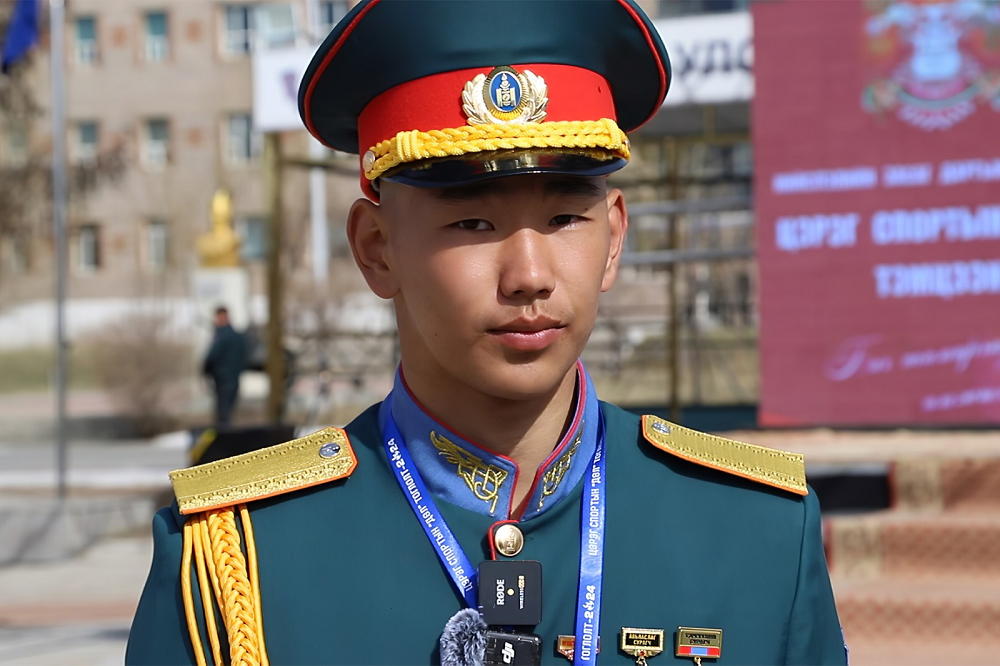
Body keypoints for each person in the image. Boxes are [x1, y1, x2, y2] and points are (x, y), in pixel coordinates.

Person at [127, 2, 847, 664]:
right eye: (473, 221)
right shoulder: (240, 561)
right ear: (377, 248)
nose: (529, 275)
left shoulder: (757, 534)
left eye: (565, 217)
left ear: (614, 238)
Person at [201, 306, 245, 425]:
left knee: (223, 417)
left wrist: (205, 371)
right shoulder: (238, 337)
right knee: (227, 414)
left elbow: (212, 356)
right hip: (233, 380)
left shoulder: (222, 336)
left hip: (223, 381)